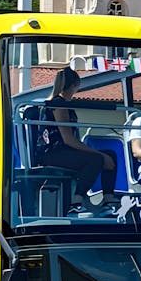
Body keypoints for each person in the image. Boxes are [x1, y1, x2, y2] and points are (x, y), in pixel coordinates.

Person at [36, 68, 117, 208]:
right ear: (75, 85)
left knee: (110, 154)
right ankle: (77, 200)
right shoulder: (58, 104)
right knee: (97, 158)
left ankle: (108, 197)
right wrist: (99, 154)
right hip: (53, 153)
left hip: (64, 151)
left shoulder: (65, 105)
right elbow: (68, 139)